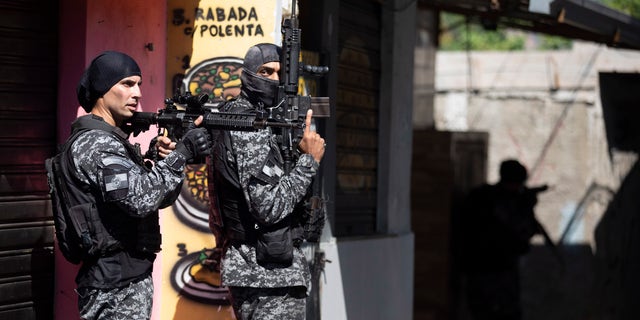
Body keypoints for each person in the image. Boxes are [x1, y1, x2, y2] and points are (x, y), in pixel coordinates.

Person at [67, 51, 210, 319]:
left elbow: (156, 198)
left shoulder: (112, 141)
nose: (137, 94)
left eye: (139, 85)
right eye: (127, 84)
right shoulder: (96, 143)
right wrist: (183, 153)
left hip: (126, 280)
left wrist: (161, 160)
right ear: (102, 88)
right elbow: (138, 200)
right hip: (112, 288)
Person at [208, 43, 326, 319]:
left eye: (279, 73)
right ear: (248, 74)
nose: (273, 79)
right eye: (265, 71)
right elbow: (267, 206)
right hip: (266, 276)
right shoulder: (248, 124)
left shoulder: (255, 118)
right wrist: (309, 161)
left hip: (265, 272)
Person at [460, 159, 543, 320]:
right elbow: (520, 232)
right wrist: (526, 207)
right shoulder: (500, 202)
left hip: (481, 272)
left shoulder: (480, 195)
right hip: (496, 273)